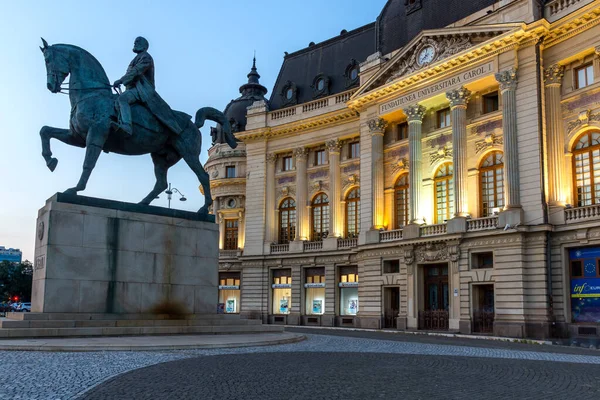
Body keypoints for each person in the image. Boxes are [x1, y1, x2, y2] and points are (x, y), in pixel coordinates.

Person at [113, 37, 182, 135]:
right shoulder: (137, 58)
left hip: (142, 90)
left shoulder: (146, 57)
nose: (134, 44)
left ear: (144, 45)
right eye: (134, 42)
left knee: (122, 100)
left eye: (137, 42)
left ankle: (127, 126)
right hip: (133, 88)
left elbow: (136, 71)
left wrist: (121, 80)